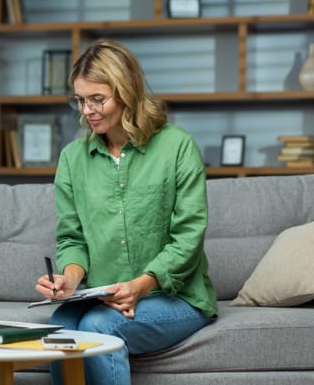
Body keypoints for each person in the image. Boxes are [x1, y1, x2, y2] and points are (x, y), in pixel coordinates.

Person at [35, 39, 218, 385]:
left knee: (99, 327)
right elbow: (72, 239)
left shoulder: (176, 146)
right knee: (60, 327)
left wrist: (140, 286)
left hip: (174, 297)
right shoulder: (73, 158)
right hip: (103, 296)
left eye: (97, 99)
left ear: (127, 91)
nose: (87, 110)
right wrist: (69, 280)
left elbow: (188, 237)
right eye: (80, 100)